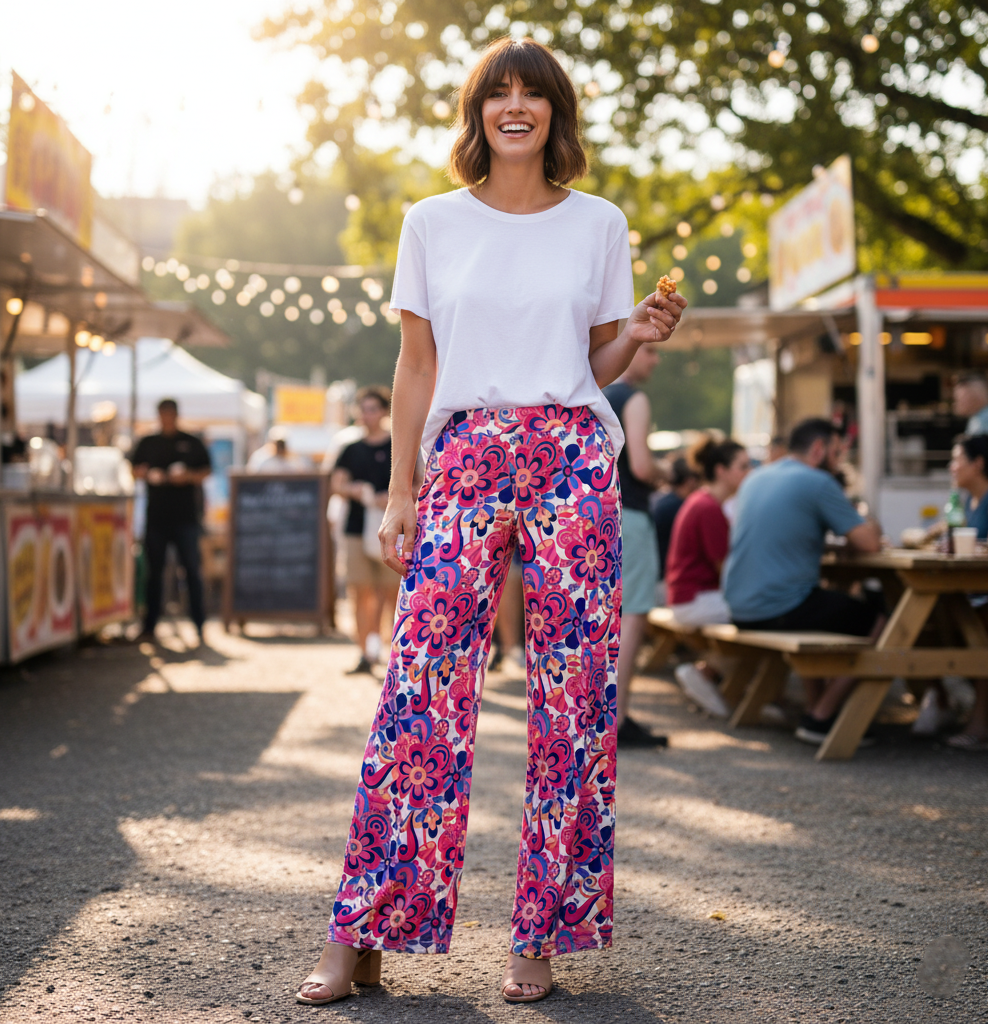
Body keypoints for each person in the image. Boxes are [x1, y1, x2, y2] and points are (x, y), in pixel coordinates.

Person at [296, 36, 686, 1008]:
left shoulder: (599, 222)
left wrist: (633, 338)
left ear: (555, 112)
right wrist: (399, 490)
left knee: (573, 693)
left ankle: (542, 935)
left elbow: (591, 364)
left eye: (533, 94)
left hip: (570, 453)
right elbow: (416, 369)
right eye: (497, 93)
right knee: (419, 684)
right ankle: (366, 931)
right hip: (463, 452)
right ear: (476, 113)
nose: (515, 107)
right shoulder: (431, 221)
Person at [722, 418, 882, 745]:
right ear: (819, 449)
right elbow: (869, 543)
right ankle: (821, 717)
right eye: (837, 453)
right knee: (883, 620)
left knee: (819, 602)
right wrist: (869, 521)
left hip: (739, 607)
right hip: (777, 608)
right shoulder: (818, 482)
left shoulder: (756, 477)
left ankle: (816, 704)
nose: (838, 462)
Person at [916, 434, 988, 747]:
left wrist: (968, 547)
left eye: (957, 460)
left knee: (969, 627)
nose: (951, 467)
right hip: (978, 595)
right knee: (922, 624)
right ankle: (940, 700)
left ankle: (980, 726)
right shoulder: (968, 500)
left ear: (978, 464)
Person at [603, 346, 669, 748]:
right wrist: (669, 474)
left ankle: (599, 715)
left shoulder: (597, 394)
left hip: (596, 514)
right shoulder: (633, 397)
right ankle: (618, 717)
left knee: (606, 617)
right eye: (649, 351)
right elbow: (642, 465)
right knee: (633, 614)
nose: (654, 360)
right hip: (632, 514)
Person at [667, 436, 751, 717]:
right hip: (695, 599)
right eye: (743, 466)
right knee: (765, 613)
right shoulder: (709, 508)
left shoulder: (702, 501)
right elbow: (726, 570)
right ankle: (704, 672)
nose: (748, 473)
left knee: (760, 615)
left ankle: (731, 684)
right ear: (721, 471)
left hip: (688, 597)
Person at [331, 386, 401, 674]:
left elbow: (417, 482)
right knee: (361, 592)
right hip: (357, 528)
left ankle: (384, 648)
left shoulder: (397, 445)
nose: (366, 414)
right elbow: (337, 483)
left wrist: (394, 497)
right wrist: (355, 490)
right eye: (363, 409)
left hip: (392, 529)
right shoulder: (350, 449)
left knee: (390, 592)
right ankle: (364, 652)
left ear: (384, 411)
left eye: (372, 408)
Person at [130, 398, 212, 644]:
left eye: (170, 414)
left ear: (175, 415)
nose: (166, 418)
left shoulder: (191, 442)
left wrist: (186, 476)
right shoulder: (148, 442)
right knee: (154, 574)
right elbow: (134, 469)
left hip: (185, 518)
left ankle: (199, 625)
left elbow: (206, 471)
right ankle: (149, 626)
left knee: (191, 572)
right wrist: (146, 475)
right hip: (157, 518)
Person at [651, 456, 699, 606]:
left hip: (656, 581)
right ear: (691, 480)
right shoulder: (679, 506)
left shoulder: (661, 500)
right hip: (664, 584)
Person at [953, 373, 988, 437]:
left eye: (958, 400)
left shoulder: (987, 417)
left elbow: (985, 444)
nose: (955, 404)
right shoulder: (981, 416)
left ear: (973, 398)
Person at [246, 427, 313, 472]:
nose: (279, 447)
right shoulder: (260, 458)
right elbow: (251, 475)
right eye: (277, 443)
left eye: (282, 444)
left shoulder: (293, 460)